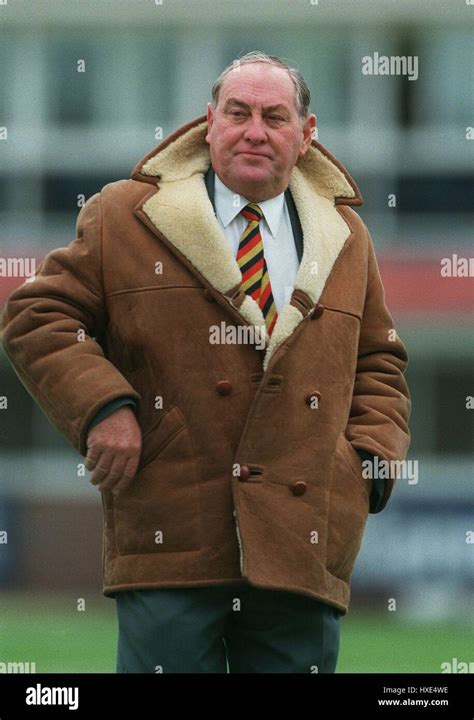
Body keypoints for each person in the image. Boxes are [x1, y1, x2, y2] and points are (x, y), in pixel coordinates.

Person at [1, 51, 411, 673]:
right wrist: (104, 409)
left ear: (307, 135)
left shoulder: (347, 236)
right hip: (172, 530)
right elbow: (37, 316)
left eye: (274, 117)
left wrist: (367, 464)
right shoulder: (124, 214)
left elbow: (379, 361)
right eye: (237, 112)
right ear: (208, 123)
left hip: (300, 542)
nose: (254, 130)